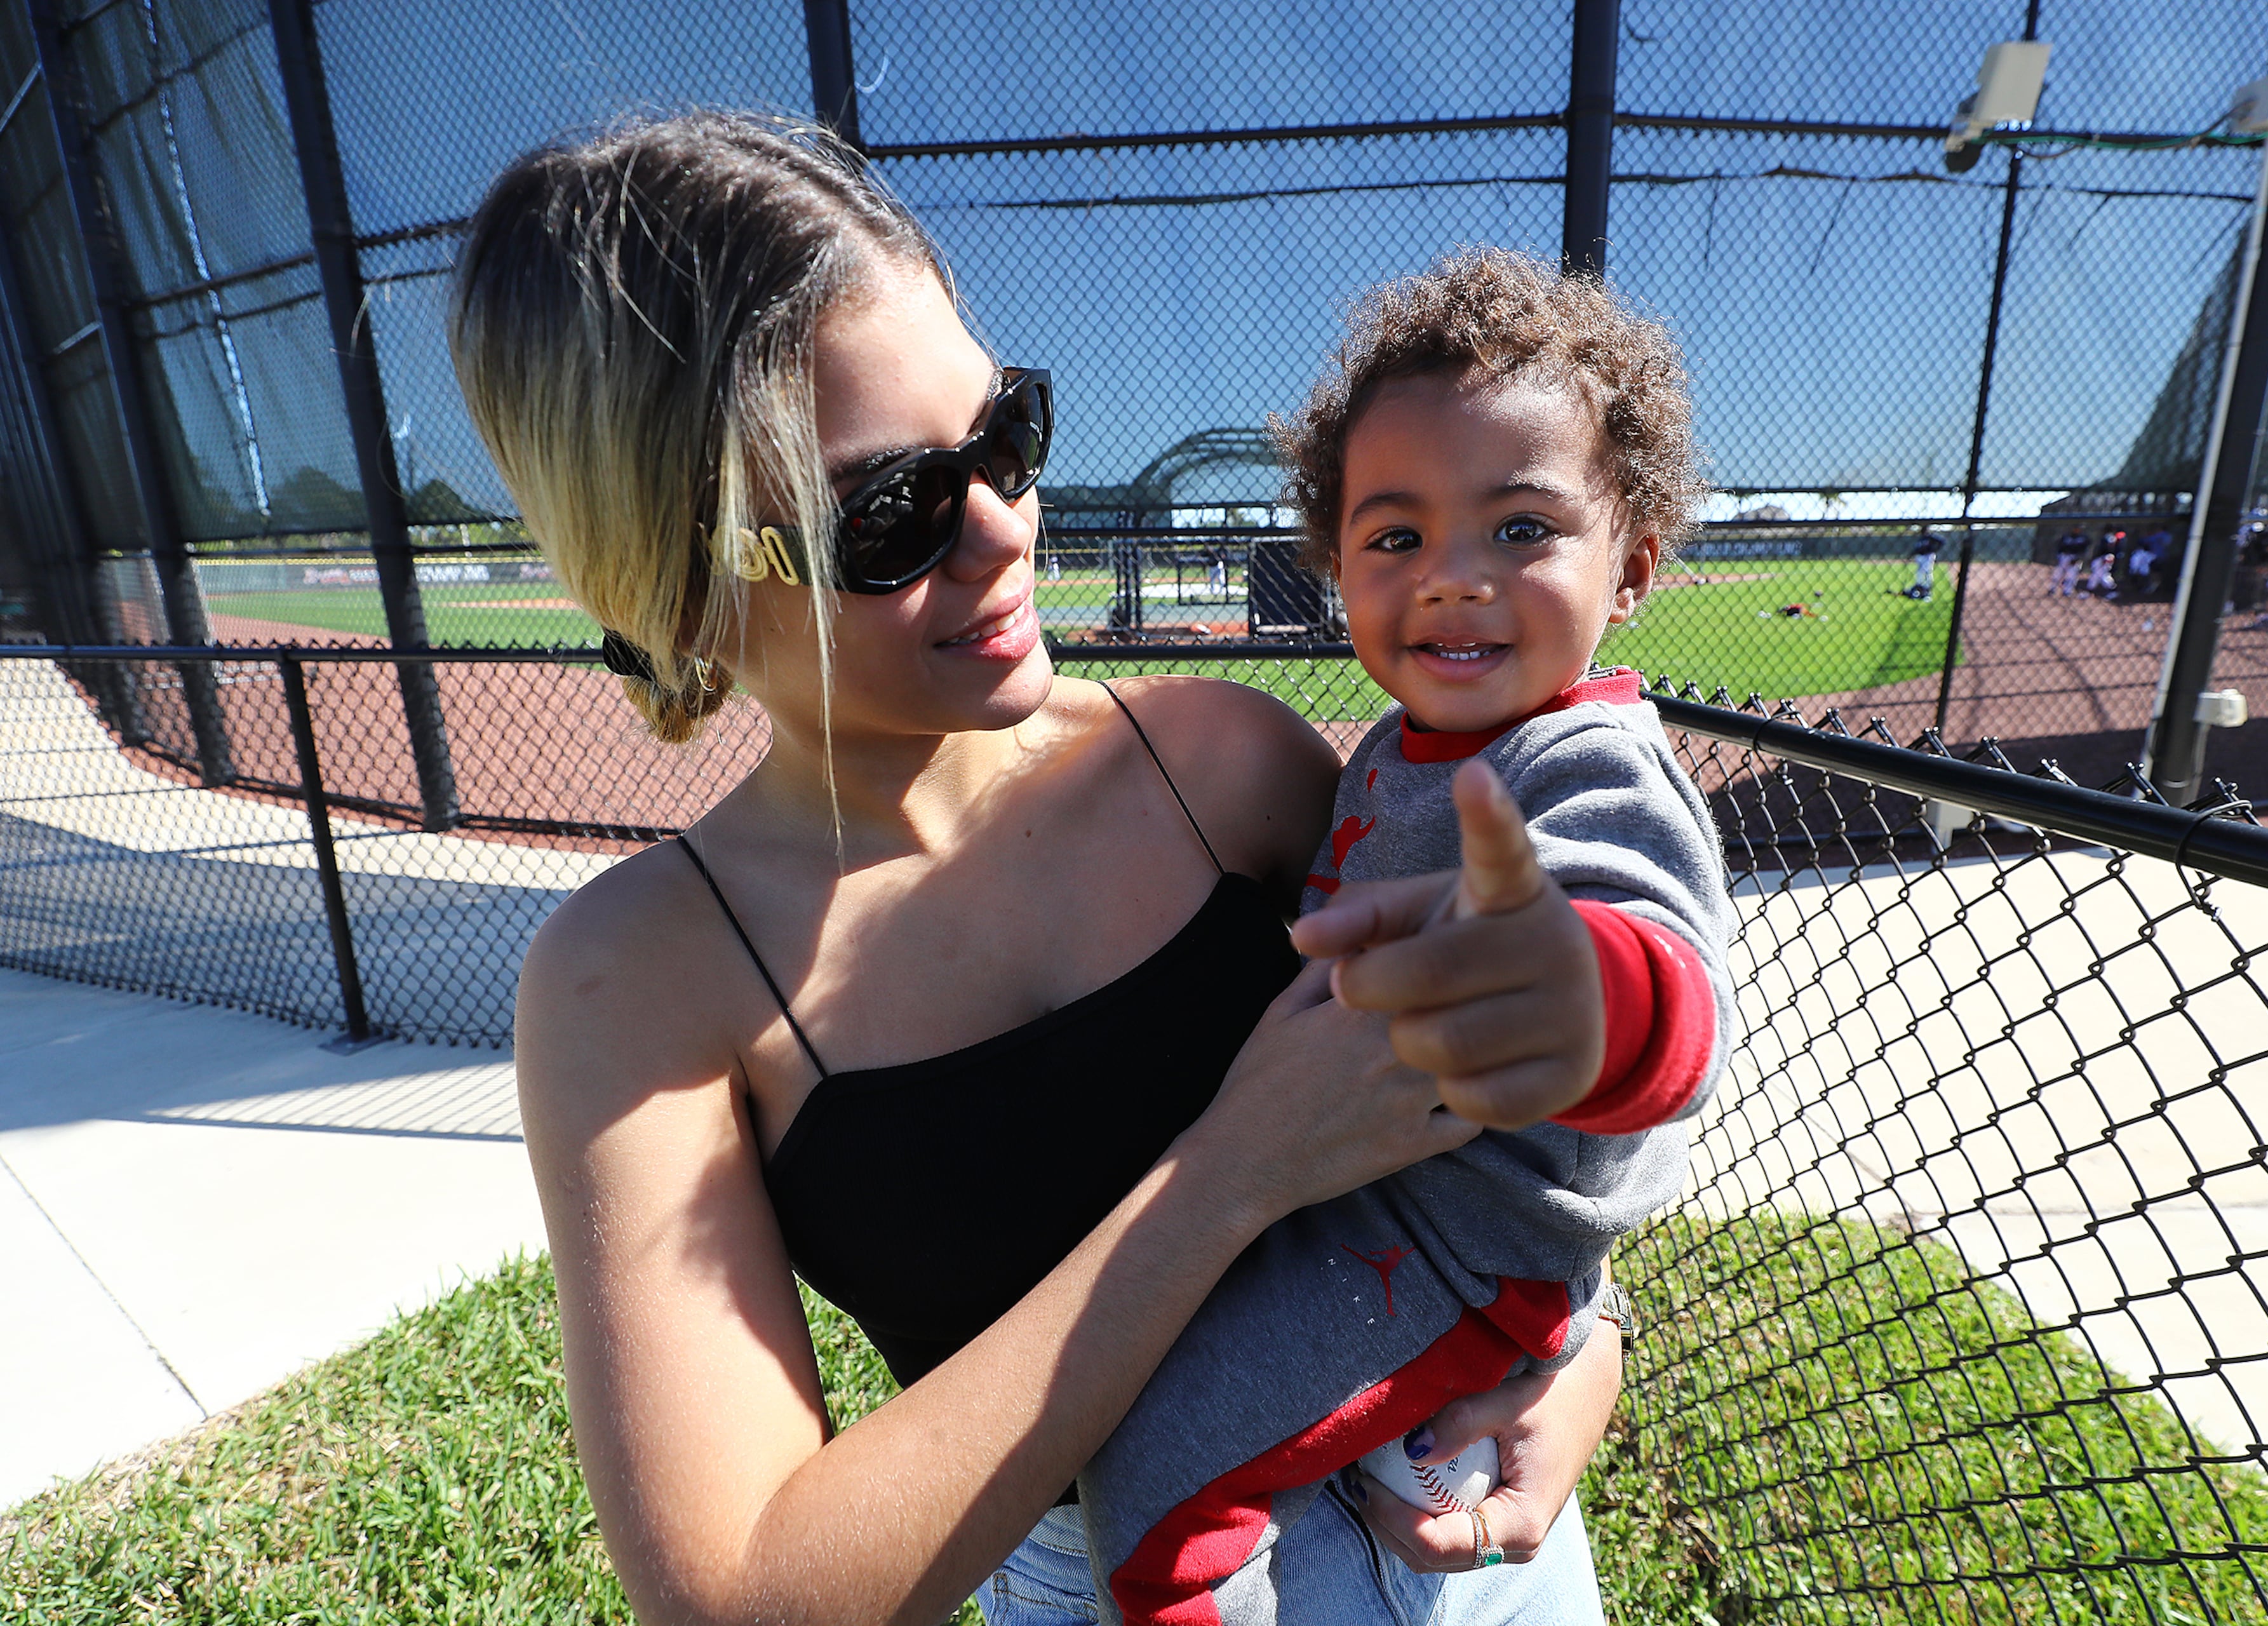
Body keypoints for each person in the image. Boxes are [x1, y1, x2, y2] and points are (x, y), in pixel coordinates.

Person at [450, 113, 1626, 1626]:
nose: (1003, 531)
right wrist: (1222, 1173)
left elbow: (1511, 1082)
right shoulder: (642, 982)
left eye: (1002, 436)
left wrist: (1589, 1333)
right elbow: (743, 1591)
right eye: (889, 514)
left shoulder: (1221, 765)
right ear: (677, 574)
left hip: (1467, 1504)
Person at [1078, 251, 1735, 1624]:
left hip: (1458, 1248)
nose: (1451, 579)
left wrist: (1580, 992)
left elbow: (1657, 965)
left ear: (1635, 564)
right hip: (1377, 1203)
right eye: (1397, 537)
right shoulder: (1398, 743)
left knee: (1151, 1489)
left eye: (1519, 530)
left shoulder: (1587, 758)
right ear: (1335, 567)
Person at [2049, 525, 2089, 595]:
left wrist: (2078, 558)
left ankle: (2067, 591)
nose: (2076, 530)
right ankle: (2052, 588)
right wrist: (2059, 557)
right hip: (2064, 556)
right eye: (2075, 528)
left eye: (2078, 528)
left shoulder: (2084, 538)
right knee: (2058, 573)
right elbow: (2060, 547)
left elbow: (2084, 551)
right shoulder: (2066, 537)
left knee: (2072, 575)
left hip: (2075, 557)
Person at [1907, 528, 1940, 599]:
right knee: (1921, 572)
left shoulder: (1931, 538)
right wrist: (1911, 555)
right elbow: (1918, 549)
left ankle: (1926, 588)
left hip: (1928, 556)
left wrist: (1934, 550)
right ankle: (1921, 587)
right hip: (1921, 557)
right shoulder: (1922, 539)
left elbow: (1942, 542)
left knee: (1927, 572)